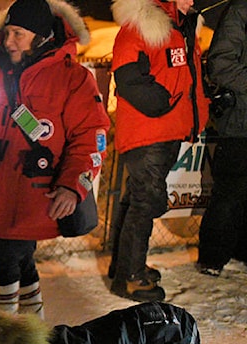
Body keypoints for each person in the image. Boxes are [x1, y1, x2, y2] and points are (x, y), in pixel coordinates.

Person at [0, 0, 110, 317]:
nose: (8, 42)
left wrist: (72, 187)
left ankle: (3, 336)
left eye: (18, 34)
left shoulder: (73, 78)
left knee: (1, 259)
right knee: (20, 260)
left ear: (43, 36)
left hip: (35, 197)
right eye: (7, 33)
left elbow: (91, 138)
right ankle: (31, 331)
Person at [108, 0, 208, 301]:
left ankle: (125, 266)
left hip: (166, 129)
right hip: (148, 130)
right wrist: (164, 103)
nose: (193, 0)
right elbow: (127, 78)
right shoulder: (141, 22)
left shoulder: (182, 26)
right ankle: (131, 278)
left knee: (135, 199)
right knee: (145, 202)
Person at [198, 0, 247, 277]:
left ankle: (241, 250)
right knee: (230, 192)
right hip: (240, 121)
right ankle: (213, 258)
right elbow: (220, 64)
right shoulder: (240, 10)